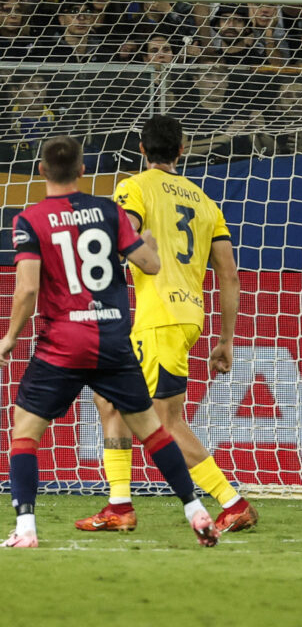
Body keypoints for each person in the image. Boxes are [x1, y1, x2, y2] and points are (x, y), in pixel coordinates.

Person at [0, 136, 219, 548]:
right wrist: (149, 246)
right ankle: (195, 508)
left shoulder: (29, 220)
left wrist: (9, 337)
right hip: (112, 342)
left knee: (25, 434)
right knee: (154, 432)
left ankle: (26, 528)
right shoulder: (108, 211)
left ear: (42, 171)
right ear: (83, 171)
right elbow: (149, 264)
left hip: (60, 345)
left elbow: (27, 288)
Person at [75, 116, 257, 535]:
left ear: (141, 148)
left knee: (164, 421)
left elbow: (126, 234)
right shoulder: (205, 202)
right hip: (186, 316)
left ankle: (232, 501)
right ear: (181, 149)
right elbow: (228, 274)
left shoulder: (133, 187)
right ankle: (119, 506)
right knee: (112, 402)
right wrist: (226, 339)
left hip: (158, 318)